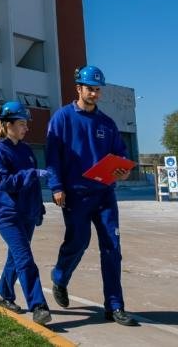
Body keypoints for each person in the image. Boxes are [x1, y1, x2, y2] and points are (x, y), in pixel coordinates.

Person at [45, 65, 138, 326]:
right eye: (90, 89)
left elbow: (121, 155)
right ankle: (60, 276)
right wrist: (56, 187)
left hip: (105, 194)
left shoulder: (107, 123)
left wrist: (123, 170)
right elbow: (52, 157)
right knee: (79, 241)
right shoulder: (62, 119)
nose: (95, 94)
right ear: (78, 88)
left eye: (98, 90)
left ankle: (115, 305)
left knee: (112, 248)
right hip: (75, 194)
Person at [0, 100, 52, 326]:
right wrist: (31, 174)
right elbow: (5, 183)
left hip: (27, 213)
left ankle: (4, 294)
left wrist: (39, 208)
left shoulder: (25, 150)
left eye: (26, 123)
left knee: (15, 257)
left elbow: (32, 184)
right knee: (25, 259)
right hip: (7, 215)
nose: (26, 128)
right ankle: (38, 306)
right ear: (8, 125)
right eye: (22, 123)